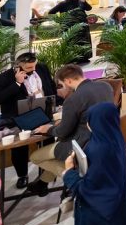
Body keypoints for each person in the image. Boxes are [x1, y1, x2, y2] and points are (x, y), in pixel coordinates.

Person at [62, 102, 126, 225]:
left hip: (100, 217)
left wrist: (69, 173)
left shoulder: (98, 149)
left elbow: (90, 190)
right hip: (118, 210)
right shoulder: (115, 138)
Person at [29, 64, 113, 195]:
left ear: (68, 81)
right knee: (54, 156)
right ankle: (42, 183)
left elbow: (62, 132)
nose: (61, 88)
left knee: (35, 157)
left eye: (61, 84)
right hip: (105, 141)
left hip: (81, 146)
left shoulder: (73, 99)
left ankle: (75, 175)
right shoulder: (106, 86)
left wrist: (49, 129)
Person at [0, 52, 56, 188]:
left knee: (47, 139)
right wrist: (17, 83)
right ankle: (22, 175)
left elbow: (50, 85)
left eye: (34, 66)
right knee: (20, 148)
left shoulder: (41, 68)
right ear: (18, 66)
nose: (33, 69)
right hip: (18, 118)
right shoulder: (4, 78)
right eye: (29, 68)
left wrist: (56, 103)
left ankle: (47, 173)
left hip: (43, 112)